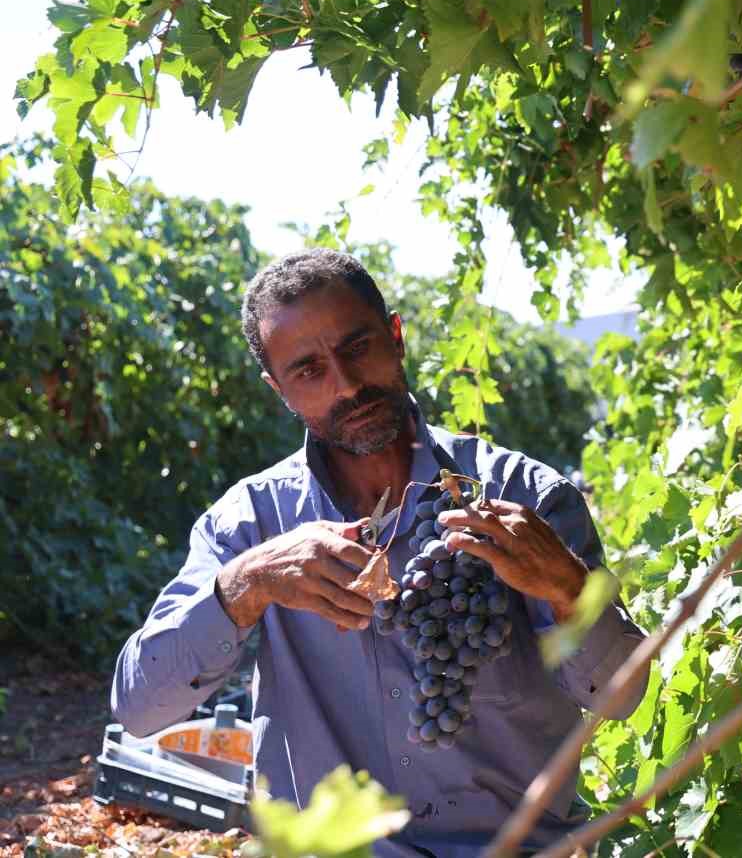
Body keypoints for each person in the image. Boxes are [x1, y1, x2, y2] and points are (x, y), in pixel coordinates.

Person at [111, 249, 646, 856]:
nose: (346, 384)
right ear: (278, 388)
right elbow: (139, 708)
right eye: (309, 370)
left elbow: (623, 696)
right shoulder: (250, 524)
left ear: (395, 336)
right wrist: (244, 586)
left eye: (357, 347)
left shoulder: (526, 497)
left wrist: (566, 586)